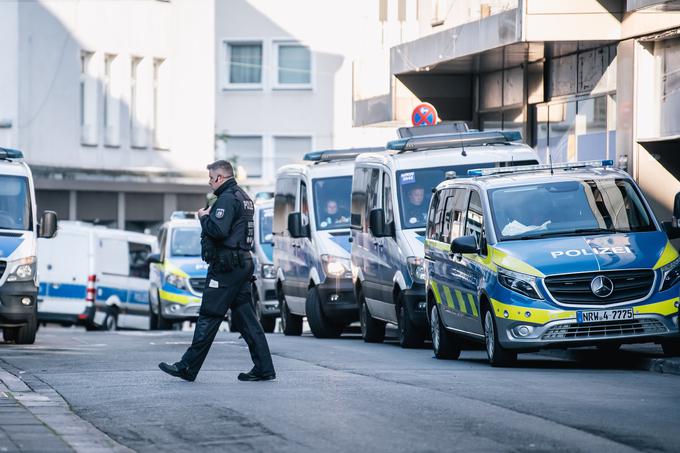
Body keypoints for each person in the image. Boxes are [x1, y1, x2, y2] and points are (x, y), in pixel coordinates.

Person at [159, 160, 276, 382]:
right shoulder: (243, 197)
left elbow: (218, 230)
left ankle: (187, 367)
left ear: (220, 178)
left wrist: (203, 218)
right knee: (247, 319)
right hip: (241, 263)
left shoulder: (227, 199)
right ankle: (264, 367)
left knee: (209, 315)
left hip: (226, 267)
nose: (209, 183)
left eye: (211, 178)